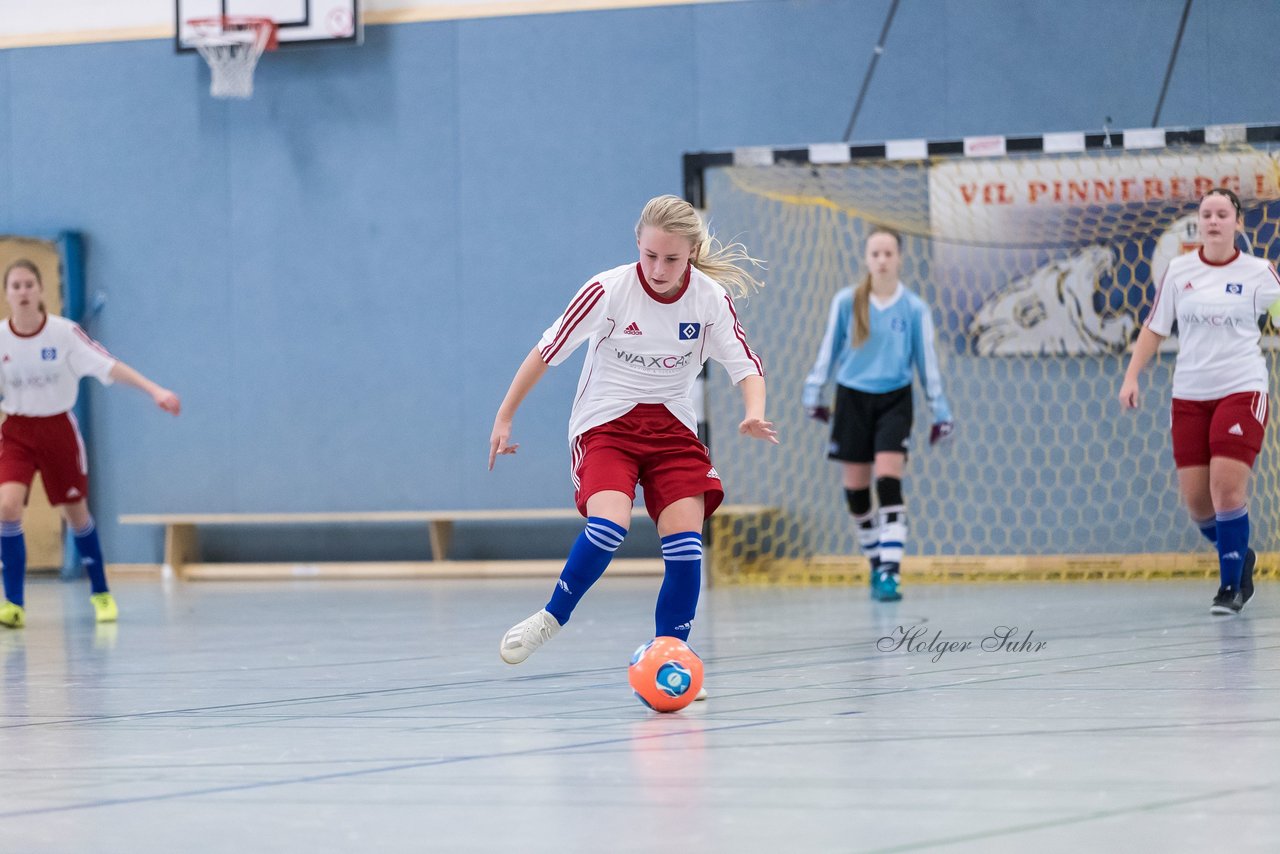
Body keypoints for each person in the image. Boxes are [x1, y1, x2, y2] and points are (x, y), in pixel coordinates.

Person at [489, 195, 777, 671]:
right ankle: (551, 617)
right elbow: (546, 350)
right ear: (637, 245)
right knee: (609, 525)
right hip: (607, 426)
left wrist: (754, 411)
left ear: (692, 254)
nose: (660, 268)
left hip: (672, 429)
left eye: (672, 259)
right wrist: (504, 416)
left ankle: (672, 657)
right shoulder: (607, 291)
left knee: (686, 542)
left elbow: (746, 364)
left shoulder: (709, 299)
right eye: (650, 255)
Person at [1120, 187, 1280, 616]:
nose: (1213, 220)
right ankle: (1240, 554)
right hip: (1189, 394)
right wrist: (1132, 376)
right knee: (1197, 503)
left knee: (1227, 490)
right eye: (1206, 213)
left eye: (1222, 214)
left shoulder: (1260, 272)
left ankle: (1231, 587)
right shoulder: (1179, 271)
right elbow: (1155, 328)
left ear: (1237, 223)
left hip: (1241, 389)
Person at [0, 259, 181, 629]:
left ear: (40, 290)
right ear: (6, 294)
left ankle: (100, 593)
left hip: (57, 431)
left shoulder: (64, 334)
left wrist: (154, 390)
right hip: (16, 432)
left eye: (28, 285)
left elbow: (109, 366)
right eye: (15, 286)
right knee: (7, 506)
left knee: (76, 513)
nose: (22, 292)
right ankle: (13, 602)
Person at [802, 228, 953, 602]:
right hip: (852, 398)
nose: (882, 260)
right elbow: (829, 351)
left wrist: (940, 411)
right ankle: (875, 560)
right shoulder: (846, 302)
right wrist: (813, 392)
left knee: (888, 482)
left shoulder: (914, 308)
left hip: (894, 401)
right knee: (856, 494)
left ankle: (891, 571)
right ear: (867, 259)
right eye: (876, 253)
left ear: (899, 258)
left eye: (889, 253)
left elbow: (926, 363)